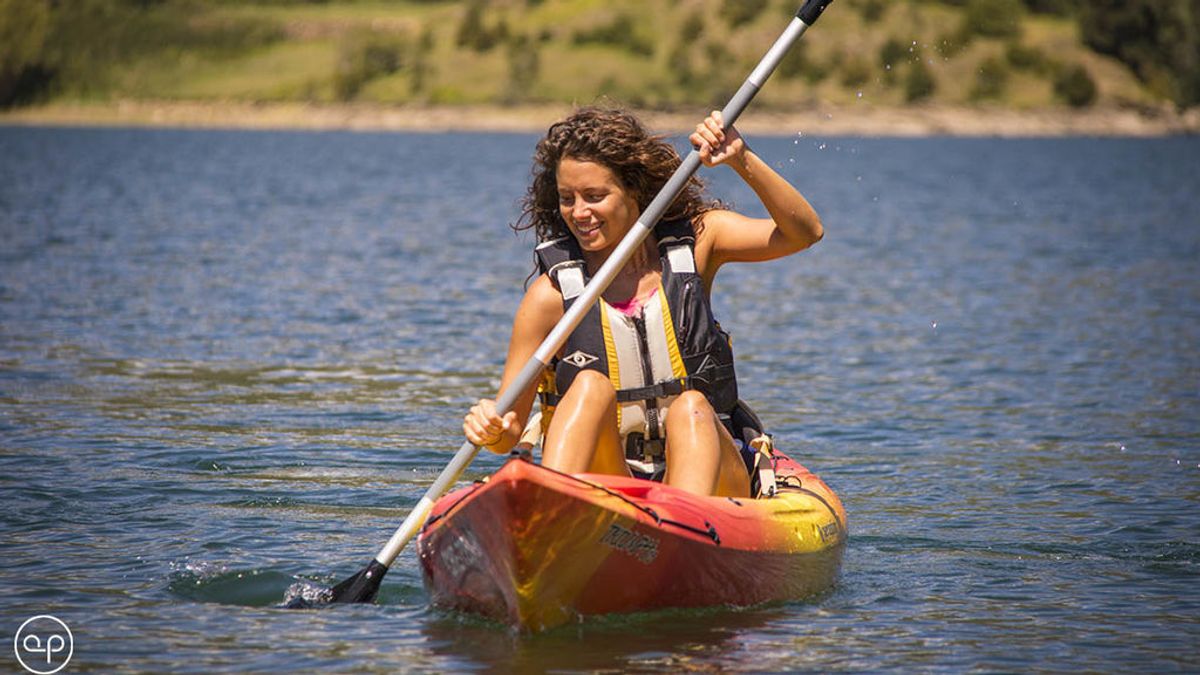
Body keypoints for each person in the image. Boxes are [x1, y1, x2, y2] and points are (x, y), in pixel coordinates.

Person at [462, 106, 822, 498]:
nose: (579, 212)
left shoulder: (700, 243)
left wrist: (741, 159)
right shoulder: (549, 298)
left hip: (712, 478)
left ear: (634, 191)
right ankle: (553, 511)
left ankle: (682, 530)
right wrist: (492, 429)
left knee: (691, 407)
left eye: (595, 196)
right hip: (610, 478)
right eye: (567, 198)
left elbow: (804, 232)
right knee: (588, 388)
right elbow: (507, 431)